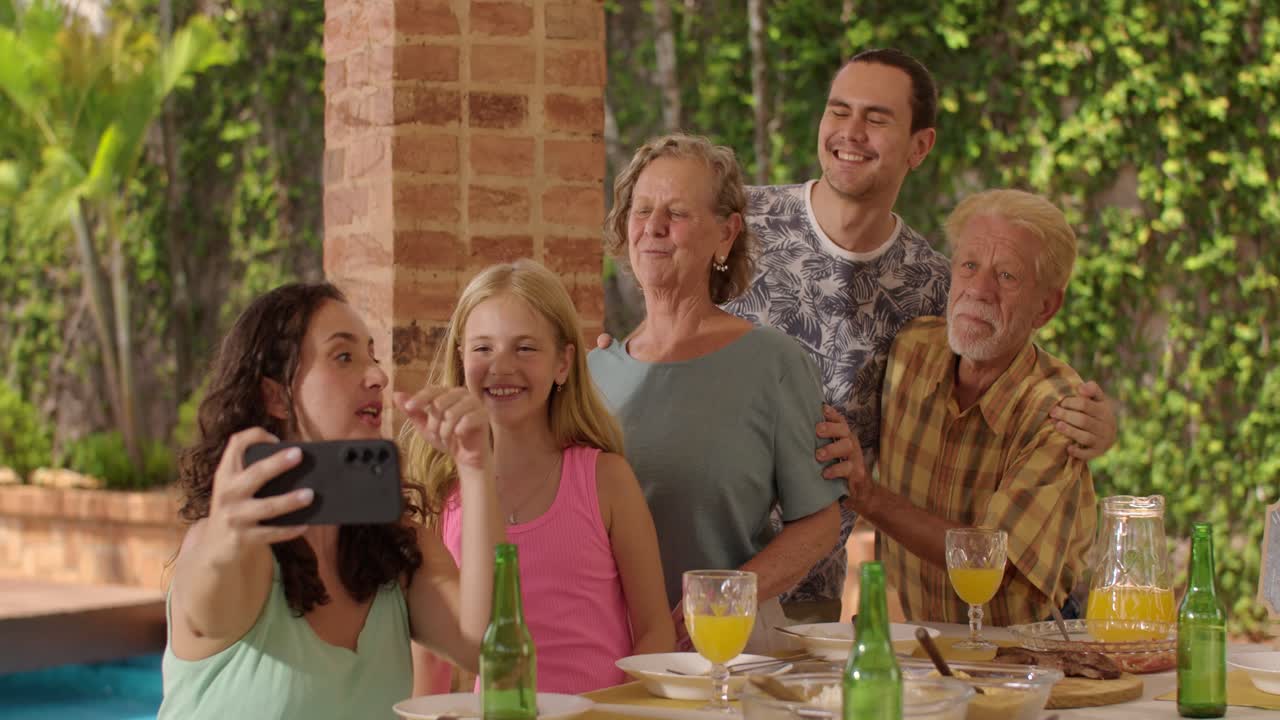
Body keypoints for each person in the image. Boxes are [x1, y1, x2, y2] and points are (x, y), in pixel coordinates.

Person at [719, 48, 1117, 622]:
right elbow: (666, 325)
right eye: (839, 111)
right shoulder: (741, 225)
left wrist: (1098, 427)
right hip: (691, 564)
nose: (851, 132)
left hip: (809, 591)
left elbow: (1014, 359)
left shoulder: (932, 289)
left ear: (920, 146)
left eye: (877, 118)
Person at [159, 283, 504, 719]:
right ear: (275, 396)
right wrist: (229, 537)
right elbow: (211, 594)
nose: (378, 376)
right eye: (344, 357)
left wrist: (476, 468)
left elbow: (493, 652)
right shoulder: (229, 547)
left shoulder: (398, 551)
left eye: (372, 356)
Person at [588, 133, 845, 651]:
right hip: (608, 651)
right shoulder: (593, 373)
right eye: (641, 210)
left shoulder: (773, 363)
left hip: (727, 648)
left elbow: (820, 522)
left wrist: (726, 597)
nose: (653, 228)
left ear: (725, 235)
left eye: (676, 212)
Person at [406, 259, 674, 693]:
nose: (501, 367)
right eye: (482, 348)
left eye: (525, 348)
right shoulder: (441, 492)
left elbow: (653, 630)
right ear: (460, 359)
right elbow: (432, 662)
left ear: (563, 363)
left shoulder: (606, 479)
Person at [846, 188, 1098, 626]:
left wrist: (868, 497)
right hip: (920, 644)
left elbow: (990, 561)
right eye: (969, 266)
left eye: (1007, 276)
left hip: (1020, 650)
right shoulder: (909, 350)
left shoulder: (1058, 411)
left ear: (1046, 307)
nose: (978, 291)